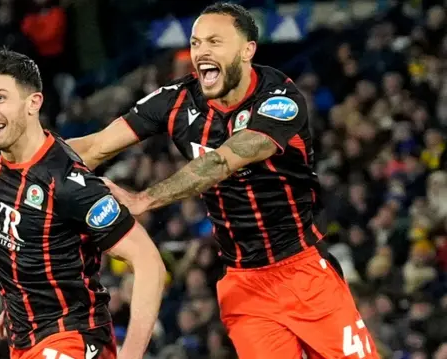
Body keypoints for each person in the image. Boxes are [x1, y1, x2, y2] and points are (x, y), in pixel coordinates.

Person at [67, 2, 380, 359]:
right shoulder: (177, 100)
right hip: (244, 286)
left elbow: (224, 160)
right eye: (197, 42)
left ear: (247, 50)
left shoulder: (280, 98)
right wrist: (26, 152)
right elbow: (95, 146)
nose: (201, 52)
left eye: (214, 41)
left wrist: (145, 199)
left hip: (304, 272)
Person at [0, 49, 166, 359]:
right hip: (24, 338)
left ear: (33, 102)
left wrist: (131, 353)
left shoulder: (69, 184)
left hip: (71, 340)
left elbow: (149, 263)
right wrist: (19, 301)